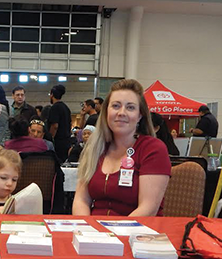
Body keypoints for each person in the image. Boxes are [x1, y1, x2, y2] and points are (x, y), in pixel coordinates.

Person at [72, 79, 171, 217]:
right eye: (116, 106)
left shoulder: (153, 149)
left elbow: (147, 209)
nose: (121, 112)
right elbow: (81, 200)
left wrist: (110, 236)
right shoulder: (95, 147)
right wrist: (85, 229)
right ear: (106, 112)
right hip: (93, 233)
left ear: (139, 115)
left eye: (130, 107)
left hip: (135, 233)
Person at [47, 84, 72, 163]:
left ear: (52, 95)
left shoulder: (54, 108)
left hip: (58, 143)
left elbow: (55, 125)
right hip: (66, 141)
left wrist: (50, 139)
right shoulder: (66, 108)